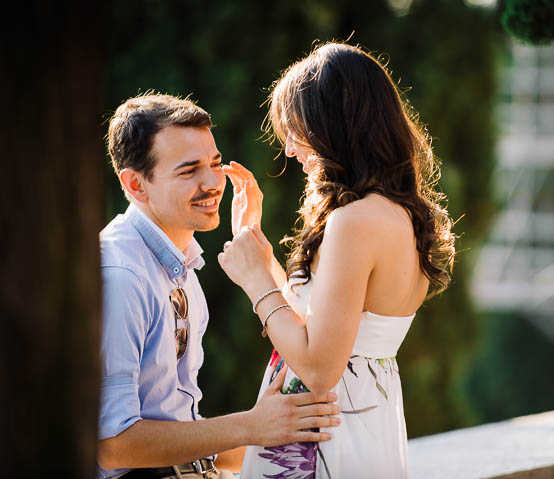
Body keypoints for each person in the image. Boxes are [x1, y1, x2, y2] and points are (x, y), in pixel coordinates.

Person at [218, 43, 455, 479]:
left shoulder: (354, 221)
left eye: (295, 130)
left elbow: (320, 367)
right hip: (366, 424)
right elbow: (319, 324)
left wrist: (256, 283)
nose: (289, 149)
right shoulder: (399, 215)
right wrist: (258, 250)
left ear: (334, 126)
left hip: (328, 437)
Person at [98, 93, 341, 479]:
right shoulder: (120, 276)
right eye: (189, 170)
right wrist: (250, 425)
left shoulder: (182, 266)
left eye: (214, 164)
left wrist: (281, 433)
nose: (212, 183)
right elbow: (113, 446)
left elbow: (181, 427)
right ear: (135, 185)